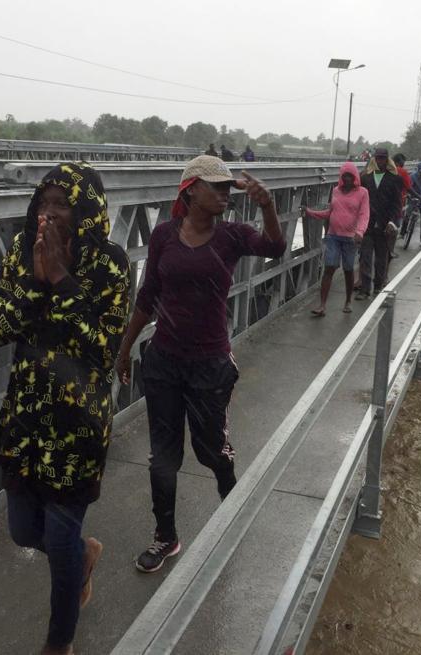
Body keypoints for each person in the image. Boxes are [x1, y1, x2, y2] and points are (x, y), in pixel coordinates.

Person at [0, 162, 131, 655]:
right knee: (25, 531)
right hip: (25, 419)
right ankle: (86, 554)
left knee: (61, 535)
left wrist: (62, 281)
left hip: (78, 426)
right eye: (43, 202)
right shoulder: (23, 252)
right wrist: (33, 280)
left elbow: (102, 351)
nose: (48, 213)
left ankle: (59, 642)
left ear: (87, 209)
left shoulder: (110, 265)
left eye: (61, 203)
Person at [115, 155, 286, 573]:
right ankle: (165, 537)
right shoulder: (163, 237)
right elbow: (147, 295)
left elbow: (275, 248)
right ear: (191, 189)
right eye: (218, 186)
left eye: (230, 187)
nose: (226, 193)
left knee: (211, 451)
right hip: (164, 363)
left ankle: (232, 516)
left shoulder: (232, 236)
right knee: (163, 457)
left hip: (210, 364)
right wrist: (123, 350)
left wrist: (267, 207)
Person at [302, 161, 369, 316]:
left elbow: (364, 215)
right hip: (333, 236)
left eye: (350, 176)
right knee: (329, 268)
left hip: (351, 238)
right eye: (344, 176)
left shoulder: (363, 192)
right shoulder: (335, 191)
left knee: (348, 269)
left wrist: (360, 231)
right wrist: (311, 212)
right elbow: (329, 213)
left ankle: (347, 301)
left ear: (355, 177)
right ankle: (322, 305)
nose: (346, 179)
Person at [356, 148, 403, 299]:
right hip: (367, 224)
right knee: (365, 257)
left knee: (381, 258)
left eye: (383, 158)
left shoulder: (395, 179)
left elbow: (397, 203)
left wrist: (392, 222)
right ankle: (364, 290)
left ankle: (378, 286)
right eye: (378, 158)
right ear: (374, 159)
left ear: (387, 159)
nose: (380, 161)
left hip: (384, 225)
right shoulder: (365, 178)